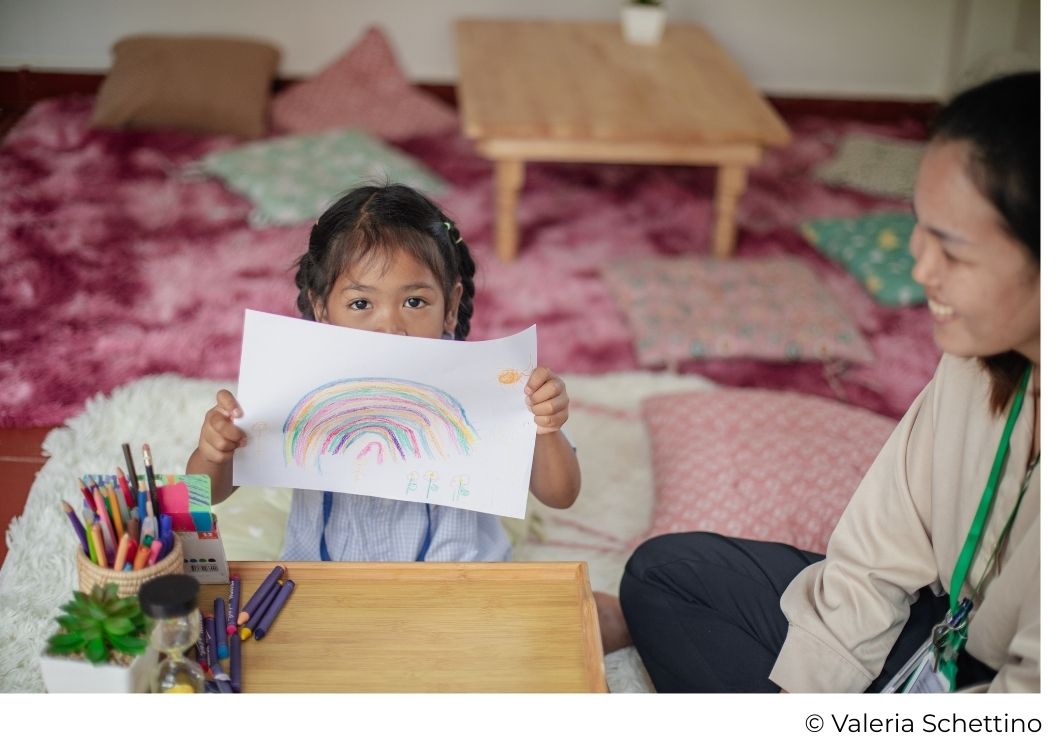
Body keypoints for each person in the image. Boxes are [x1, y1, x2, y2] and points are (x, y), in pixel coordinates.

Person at [597, 71, 1040, 692]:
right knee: (663, 573)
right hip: (942, 635)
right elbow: (876, 558)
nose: (919, 267)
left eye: (954, 252)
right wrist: (803, 699)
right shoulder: (977, 355)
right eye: (918, 226)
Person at [187, 184, 581, 562]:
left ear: (450, 306)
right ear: (321, 308)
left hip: (464, 583)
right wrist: (214, 452)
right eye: (361, 303)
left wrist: (547, 427)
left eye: (414, 301)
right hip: (326, 584)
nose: (390, 326)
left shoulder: (486, 384)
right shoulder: (296, 382)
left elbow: (561, 494)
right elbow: (206, 494)